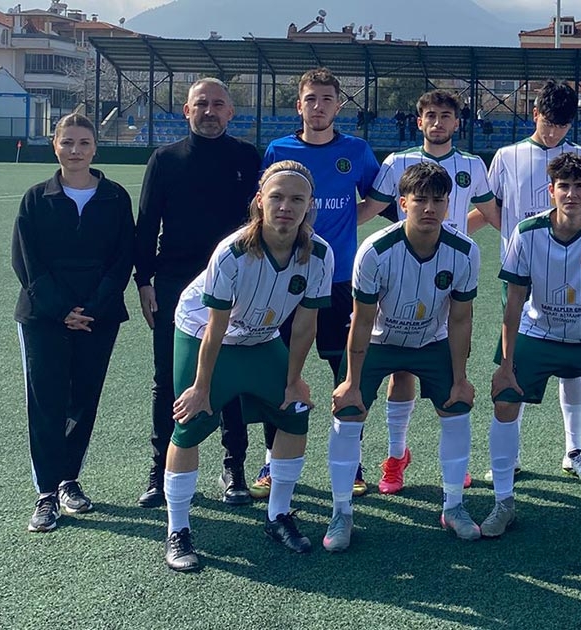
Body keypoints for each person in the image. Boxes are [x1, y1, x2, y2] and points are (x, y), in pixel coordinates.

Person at [163, 160, 333, 572]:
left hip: (261, 337)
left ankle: (278, 515)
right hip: (205, 334)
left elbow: (305, 324)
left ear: (310, 205)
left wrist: (294, 381)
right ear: (260, 201)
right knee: (191, 421)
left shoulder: (319, 254)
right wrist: (201, 387)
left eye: (297, 199)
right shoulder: (232, 252)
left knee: (294, 412)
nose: (286, 207)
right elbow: (216, 326)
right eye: (276, 197)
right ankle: (178, 529)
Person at [484, 153, 581, 538]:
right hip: (539, 333)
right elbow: (514, 300)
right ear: (551, 190)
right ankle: (503, 501)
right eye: (564, 186)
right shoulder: (527, 231)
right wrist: (506, 363)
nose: (572, 194)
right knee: (505, 398)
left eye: (580, 187)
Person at [327, 162, 481, 549]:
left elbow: (460, 319)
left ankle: (454, 506)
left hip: (431, 341)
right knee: (348, 411)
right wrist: (351, 382)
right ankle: (341, 512)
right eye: (420, 199)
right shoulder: (376, 250)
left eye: (438, 200)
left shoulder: (465, 252)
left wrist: (460, 378)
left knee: (457, 406)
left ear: (448, 205)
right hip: (379, 341)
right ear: (402, 203)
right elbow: (363, 320)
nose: (429, 208)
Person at [255, 67, 383, 499]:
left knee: (346, 370)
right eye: (311, 99)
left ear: (338, 106)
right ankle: (272, 461)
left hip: (339, 279)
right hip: (284, 278)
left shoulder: (356, 150)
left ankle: (351, 459)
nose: (318, 106)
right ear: (299, 105)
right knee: (279, 368)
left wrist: (349, 222)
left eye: (326, 99)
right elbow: (265, 205)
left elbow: (379, 198)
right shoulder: (279, 149)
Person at [362, 89, 496, 495]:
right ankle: (396, 456)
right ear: (419, 121)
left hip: (450, 272)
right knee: (401, 369)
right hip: (403, 271)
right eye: (431, 116)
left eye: (446, 116)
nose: (438, 123)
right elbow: (371, 209)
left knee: (453, 361)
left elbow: (492, 213)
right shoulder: (396, 162)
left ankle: (453, 462)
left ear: (457, 122)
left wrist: (458, 234)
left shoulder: (472, 164)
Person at [473, 79, 581, 483]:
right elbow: (490, 207)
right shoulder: (507, 156)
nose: (554, 133)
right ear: (534, 114)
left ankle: (573, 450)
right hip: (521, 273)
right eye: (548, 123)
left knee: (572, 364)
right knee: (514, 361)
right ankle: (509, 455)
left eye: (562, 125)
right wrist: (515, 238)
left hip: (573, 273)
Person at [134, 78, 259, 509]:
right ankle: (160, 470)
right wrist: (144, 281)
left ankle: (234, 468)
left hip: (236, 283)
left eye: (218, 104)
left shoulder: (247, 157)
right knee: (168, 377)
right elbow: (146, 223)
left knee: (231, 376)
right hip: (174, 282)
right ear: (187, 111)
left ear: (231, 112)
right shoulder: (165, 159)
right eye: (201, 104)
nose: (209, 111)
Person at [14, 113, 134, 533]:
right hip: (44, 319)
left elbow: (122, 258)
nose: (75, 150)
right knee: (46, 402)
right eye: (67, 142)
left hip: (97, 318)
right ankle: (46, 492)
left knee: (83, 400)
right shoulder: (36, 199)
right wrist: (60, 309)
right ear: (55, 146)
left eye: (84, 143)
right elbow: (27, 263)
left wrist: (93, 308)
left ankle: (69, 480)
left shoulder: (115, 197)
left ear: (95, 147)